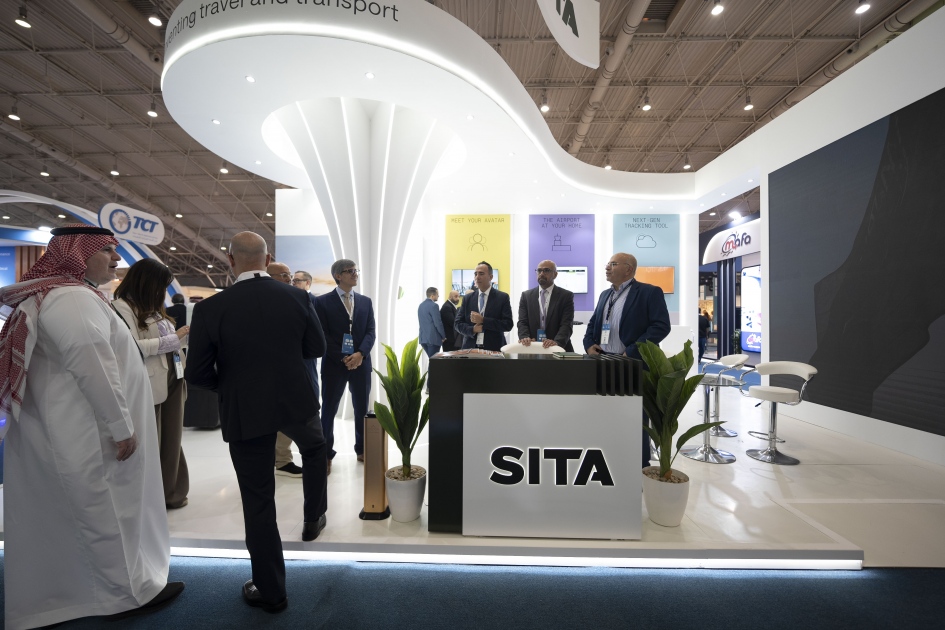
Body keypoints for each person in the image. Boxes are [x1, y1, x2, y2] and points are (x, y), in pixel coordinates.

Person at [0, 225, 182, 629]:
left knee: (85, 512)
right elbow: (91, 362)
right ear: (78, 255)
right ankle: (125, 595)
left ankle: (87, 593)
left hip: (73, 428)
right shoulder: (71, 299)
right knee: (105, 512)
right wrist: (121, 426)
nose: (116, 259)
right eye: (107, 251)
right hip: (86, 432)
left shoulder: (66, 295)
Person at [185, 232, 328, 614]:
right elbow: (316, 348)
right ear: (267, 261)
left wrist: (231, 385)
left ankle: (271, 590)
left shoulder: (211, 308)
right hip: (296, 402)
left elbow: (197, 373)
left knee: (258, 499)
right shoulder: (299, 297)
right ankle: (314, 516)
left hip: (246, 410)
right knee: (316, 449)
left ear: (230, 260)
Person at [113, 258, 191, 509]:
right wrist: (175, 338)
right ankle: (152, 497)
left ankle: (171, 491)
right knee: (153, 440)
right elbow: (133, 347)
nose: (162, 291)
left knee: (171, 438)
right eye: (160, 285)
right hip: (149, 382)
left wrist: (182, 339)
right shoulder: (121, 307)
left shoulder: (153, 309)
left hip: (173, 378)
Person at [584, 252, 671, 469]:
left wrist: (632, 351)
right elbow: (593, 323)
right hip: (603, 362)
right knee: (606, 413)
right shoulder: (605, 294)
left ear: (628, 269)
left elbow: (661, 326)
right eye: (607, 264)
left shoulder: (649, 292)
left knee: (636, 419)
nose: (607, 267)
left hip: (632, 364)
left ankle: (639, 465)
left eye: (613, 264)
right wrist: (589, 344)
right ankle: (609, 457)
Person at [314, 259, 376, 465]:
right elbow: (322, 334)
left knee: (361, 408)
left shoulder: (365, 302)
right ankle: (325, 454)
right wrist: (343, 356)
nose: (355, 274)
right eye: (350, 271)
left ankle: (362, 449)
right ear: (338, 276)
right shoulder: (322, 302)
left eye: (356, 270)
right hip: (334, 364)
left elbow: (370, 332)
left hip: (361, 363)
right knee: (329, 409)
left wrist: (360, 354)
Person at [268, 262, 305, 478]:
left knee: (287, 416)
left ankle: (282, 460)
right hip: (264, 370)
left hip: (289, 367)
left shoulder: (295, 299)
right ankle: (275, 460)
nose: (289, 278)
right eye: (283, 275)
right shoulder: (260, 300)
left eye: (289, 274)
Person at [291, 269, 326, 471]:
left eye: (297, 280)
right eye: (293, 280)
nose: (293, 283)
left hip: (308, 359)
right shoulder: (288, 300)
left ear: (308, 283)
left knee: (312, 397)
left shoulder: (315, 302)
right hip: (292, 360)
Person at [454, 261, 514, 351]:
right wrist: (472, 329)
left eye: (481, 274)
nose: (477, 277)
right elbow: (457, 324)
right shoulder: (467, 298)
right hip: (470, 348)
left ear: (491, 277)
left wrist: (483, 320)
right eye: (475, 274)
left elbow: (508, 324)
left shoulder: (502, 297)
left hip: (494, 349)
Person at [517, 259, 575, 351]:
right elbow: (522, 322)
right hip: (532, 347)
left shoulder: (566, 296)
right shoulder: (526, 296)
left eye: (546, 270)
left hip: (558, 349)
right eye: (539, 270)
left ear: (555, 274)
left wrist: (557, 342)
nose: (542, 274)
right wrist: (525, 337)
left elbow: (566, 324)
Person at [418, 287, 446, 358]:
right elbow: (438, 323)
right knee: (434, 361)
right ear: (432, 295)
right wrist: (443, 336)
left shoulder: (421, 305)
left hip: (423, 338)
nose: (438, 296)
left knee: (432, 360)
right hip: (433, 339)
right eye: (437, 294)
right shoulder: (434, 306)